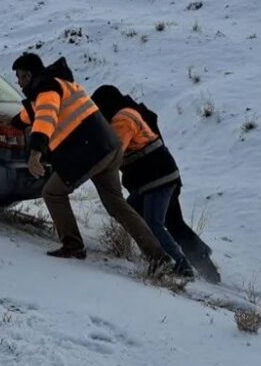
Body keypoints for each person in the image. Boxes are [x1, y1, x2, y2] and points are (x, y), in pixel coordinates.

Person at [0, 53, 170, 273]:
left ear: (29, 75)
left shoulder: (46, 89)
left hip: (88, 153)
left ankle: (72, 245)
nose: (18, 81)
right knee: (117, 205)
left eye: (20, 77)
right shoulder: (58, 84)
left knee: (52, 192)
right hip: (108, 147)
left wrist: (35, 153)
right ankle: (159, 257)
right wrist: (12, 121)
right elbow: (34, 113)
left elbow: (45, 118)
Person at [91, 85, 220, 281]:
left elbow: (114, 153)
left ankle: (180, 265)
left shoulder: (122, 119)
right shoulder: (129, 112)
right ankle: (203, 262)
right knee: (164, 220)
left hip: (156, 177)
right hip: (162, 174)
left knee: (152, 221)